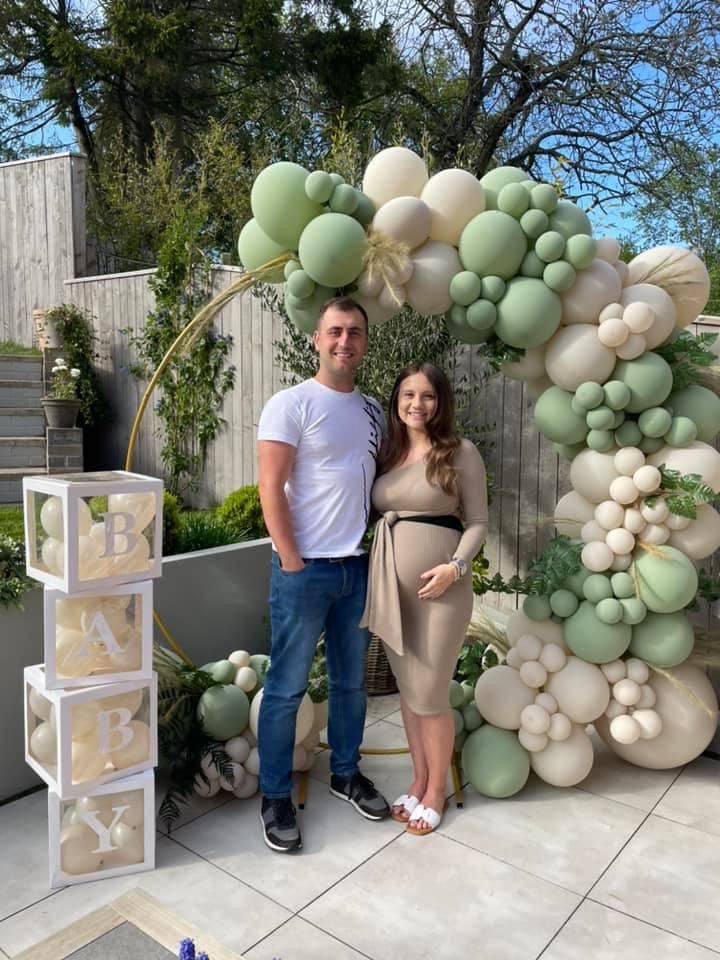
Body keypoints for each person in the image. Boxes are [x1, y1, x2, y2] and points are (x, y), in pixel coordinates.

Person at [256, 295, 390, 853]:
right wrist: (291, 558)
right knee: (286, 690)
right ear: (317, 339)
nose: (344, 341)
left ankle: (345, 772)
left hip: (356, 570)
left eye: (354, 332)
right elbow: (270, 485)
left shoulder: (375, 411)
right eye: (335, 331)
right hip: (304, 569)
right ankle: (275, 795)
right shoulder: (291, 404)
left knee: (351, 683)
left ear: (364, 341)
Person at [362, 362, 488, 835]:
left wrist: (455, 568)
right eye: (409, 394)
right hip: (391, 590)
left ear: (441, 402)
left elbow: (477, 523)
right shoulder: (388, 454)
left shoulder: (460, 453)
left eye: (428, 396)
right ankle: (418, 781)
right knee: (409, 694)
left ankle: (437, 791)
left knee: (431, 694)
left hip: (441, 593)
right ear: (397, 400)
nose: (417, 404)